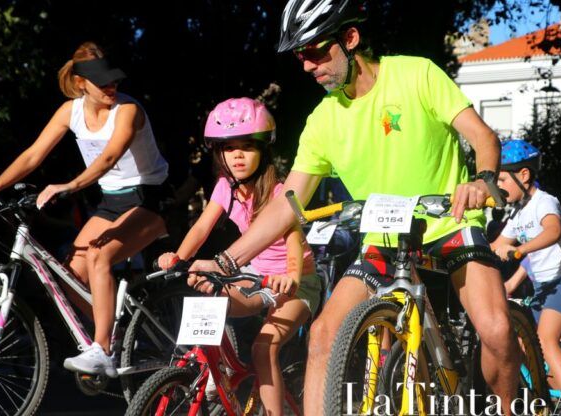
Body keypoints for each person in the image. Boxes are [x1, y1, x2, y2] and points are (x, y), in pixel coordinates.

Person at [188, 1, 521, 414]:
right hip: (385, 236)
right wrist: (226, 261)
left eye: (314, 51)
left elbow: (483, 137)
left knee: (497, 330)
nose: (307, 66)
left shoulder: (416, 74)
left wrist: (482, 180)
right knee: (326, 332)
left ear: (349, 39)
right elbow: (286, 205)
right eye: (300, 56)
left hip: (448, 224)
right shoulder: (324, 118)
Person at [0, 41, 170, 377]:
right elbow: (33, 155)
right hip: (111, 200)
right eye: (102, 82)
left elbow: (109, 157)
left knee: (99, 256)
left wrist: (69, 186)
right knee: (71, 274)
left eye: (113, 79)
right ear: (80, 84)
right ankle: (113, 332)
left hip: (148, 198)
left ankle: (102, 349)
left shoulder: (128, 110)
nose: (111, 87)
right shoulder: (69, 111)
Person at [158, 97, 321, 414]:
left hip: (297, 283)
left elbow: (293, 240)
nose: (238, 155)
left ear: (264, 149)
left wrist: (291, 276)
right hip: (253, 277)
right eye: (229, 148)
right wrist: (178, 258)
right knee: (209, 298)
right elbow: (202, 228)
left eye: (247, 146)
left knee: (263, 349)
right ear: (219, 152)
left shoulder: (279, 191)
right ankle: (220, 368)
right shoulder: (224, 187)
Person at [491, 139, 561, 416]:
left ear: (524, 175)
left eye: (501, 179)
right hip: (544, 287)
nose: (497, 187)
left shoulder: (545, 202)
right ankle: (542, 401)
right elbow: (498, 245)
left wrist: (520, 250)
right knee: (521, 343)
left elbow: (553, 232)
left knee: (546, 339)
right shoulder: (518, 214)